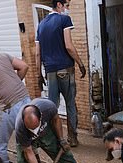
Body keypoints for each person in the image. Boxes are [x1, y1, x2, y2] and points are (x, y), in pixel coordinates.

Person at [36, 1, 86, 147]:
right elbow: (69, 46)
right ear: (59, 4)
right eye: (67, 5)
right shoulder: (64, 20)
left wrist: (39, 74)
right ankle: (72, 138)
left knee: (52, 107)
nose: (67, 9)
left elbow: (38, 53)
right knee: (70, 104)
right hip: (65, 69)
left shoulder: (41, 25)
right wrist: (80, 64)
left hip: (50, 71)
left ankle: (56, 139)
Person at [15, 98, 86, 163]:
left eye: (35, 127)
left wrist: (61, 139)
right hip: (26, 139)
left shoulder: (48, 107)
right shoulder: (20, 128)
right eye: (31, 129)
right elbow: (29, 152)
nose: (35, 131)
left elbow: (56, 120)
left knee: (64, 155)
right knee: (22, 162)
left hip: (46, 132)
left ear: (41, 117)